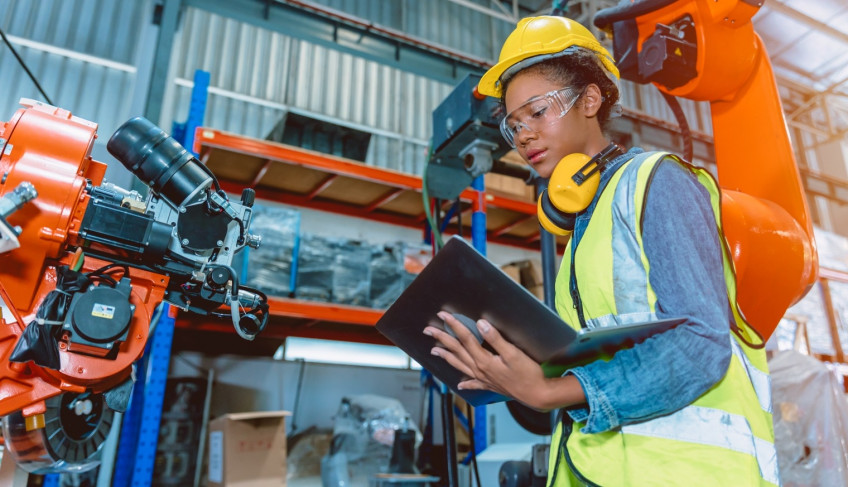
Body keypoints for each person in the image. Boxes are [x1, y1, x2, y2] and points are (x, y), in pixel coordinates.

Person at [423, 16, 777, 487]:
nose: (524, 134)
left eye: (537, 111)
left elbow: (701, 345)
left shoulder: (657, 181)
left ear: (590, 100)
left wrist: (550, 390)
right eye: (513, 125)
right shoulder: (584, 229)